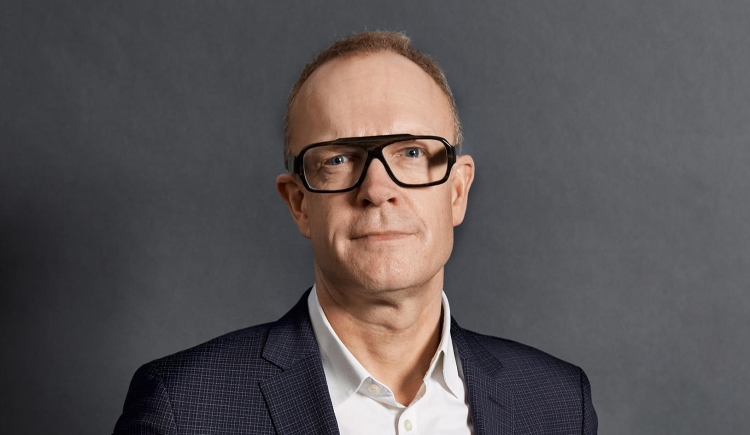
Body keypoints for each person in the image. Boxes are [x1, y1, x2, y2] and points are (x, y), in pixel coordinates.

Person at [113, 31, 597, 435]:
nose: (378, 190)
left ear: (457, 192)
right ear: (299, 203)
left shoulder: (557, 404)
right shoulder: (183, 409)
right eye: (339, 159)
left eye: (411, 152)